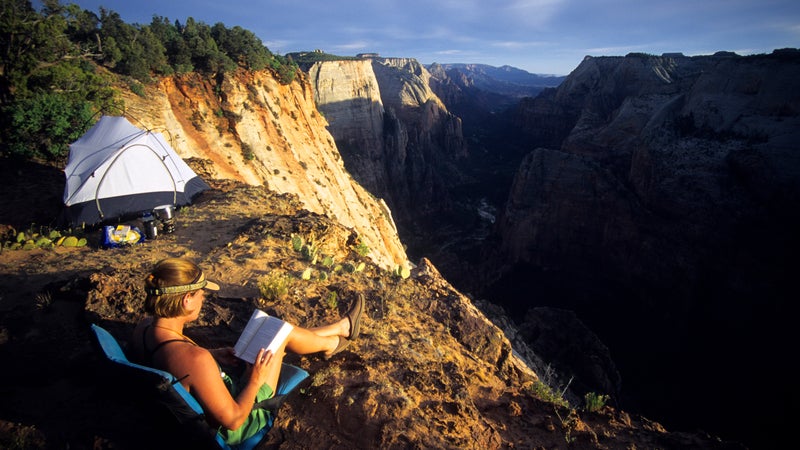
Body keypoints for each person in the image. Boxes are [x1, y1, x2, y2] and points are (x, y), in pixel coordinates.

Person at [130, 257, 364, 445]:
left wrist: (212, 354)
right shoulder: (195, 360)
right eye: (201, 295)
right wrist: (254, 381)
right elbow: (233, 420)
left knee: (278, 334)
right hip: (239, 423)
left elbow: (177, 362)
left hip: (202, 404)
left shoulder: (145, 329)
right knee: (280, 337)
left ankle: (337, 332)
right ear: (187, 300)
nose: (203, 299)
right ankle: (334, 341)